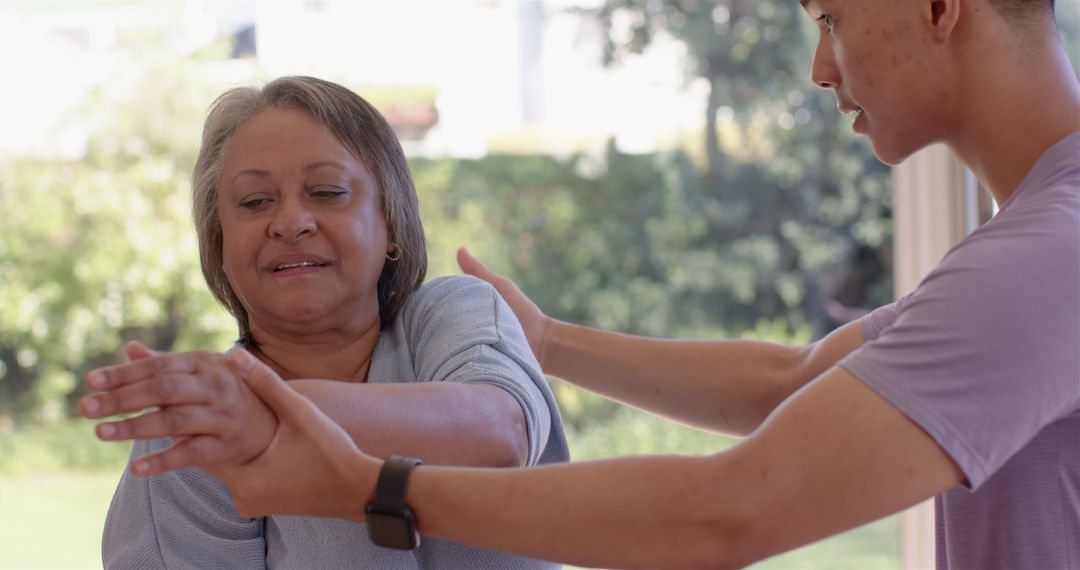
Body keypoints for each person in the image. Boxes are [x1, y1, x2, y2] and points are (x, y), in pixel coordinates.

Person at [82, 0, 1079, 568]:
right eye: (253, 202)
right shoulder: (1030, 243)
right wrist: (548, 341)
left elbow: (732, 511)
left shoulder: (1045, 256)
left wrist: (366, 484)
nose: (822, 65)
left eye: (832, 15)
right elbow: (792, 382)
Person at [79, 76, 569, 569]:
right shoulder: (194, 425)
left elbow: (501, 435)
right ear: (219, 243)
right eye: (254, 202)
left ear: (392, 224)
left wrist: (262, 414)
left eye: (327, 192)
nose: (291, 222)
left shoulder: (450, 314)